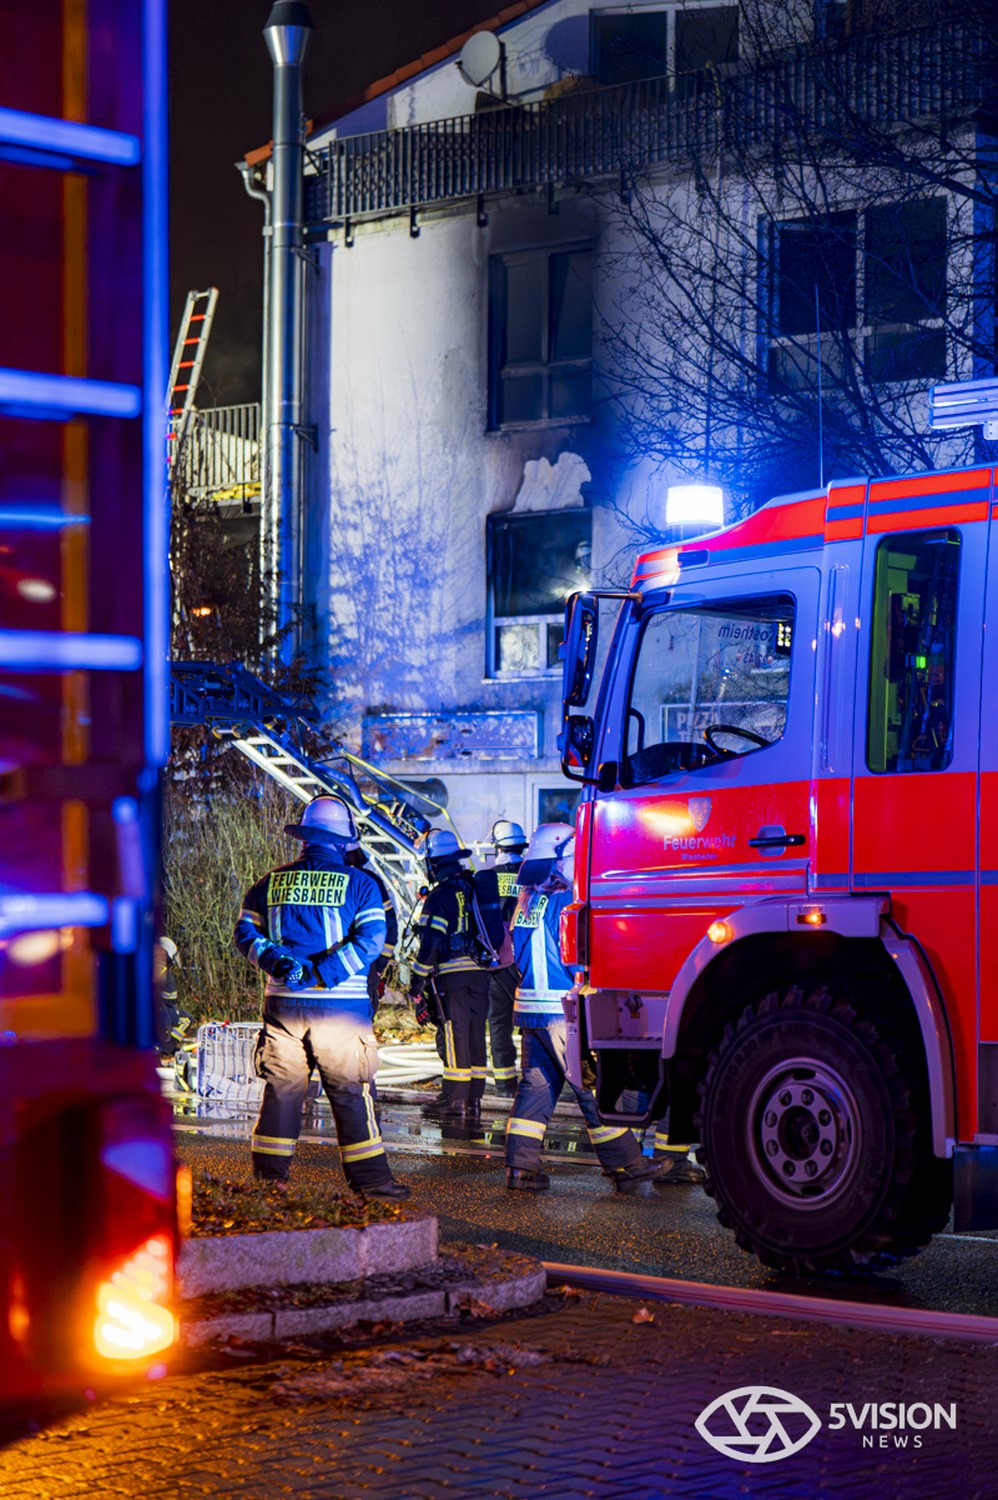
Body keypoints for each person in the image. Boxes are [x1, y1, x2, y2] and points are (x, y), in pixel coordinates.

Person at [233, 795, 409, 1200]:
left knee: (283, 1092)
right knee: (350, 1092)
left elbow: (245, 936)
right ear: (342, 840)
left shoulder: (269, 882)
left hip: (283, 1008)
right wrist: (322, 974)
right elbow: (370, 942)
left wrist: (280, 963)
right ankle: (372, 1183)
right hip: (340, 1010)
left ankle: (269, 1180)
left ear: (306, 837)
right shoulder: (361, 884)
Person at [504, 824, 657, 1193]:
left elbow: (510, 954)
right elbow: (578, 962)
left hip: (530, 1012)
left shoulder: (524, 902)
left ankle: (520, 1168)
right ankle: (626, 1164)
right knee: (590, 1086)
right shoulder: (567, 902)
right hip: (563, 1011)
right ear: (564, 858)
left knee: (536, 1088)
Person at [409, 828, 493, 1121]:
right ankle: (474, 1102)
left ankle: (455, 1102)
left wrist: (416, 981)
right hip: (481, 975)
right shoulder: (474, 888)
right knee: (474, 1036)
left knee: (454, 1036)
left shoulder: (441, 895)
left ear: (434, 863)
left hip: (452, 977)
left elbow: (431, 941)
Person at [473, 819, 528, 1097]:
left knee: (499, 1022)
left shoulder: (485, 878)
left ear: (497, 847)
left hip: (496, 959)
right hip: (529, 962)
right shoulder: (535, 876)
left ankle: (506, 1084)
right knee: (532, 1023)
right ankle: (535, 1081)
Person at [344, 840, 398, 1015]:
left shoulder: (329, 879)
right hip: (366, 968)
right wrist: (380, 964)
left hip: (336, 968)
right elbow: (390, 928)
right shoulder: (371, 881)